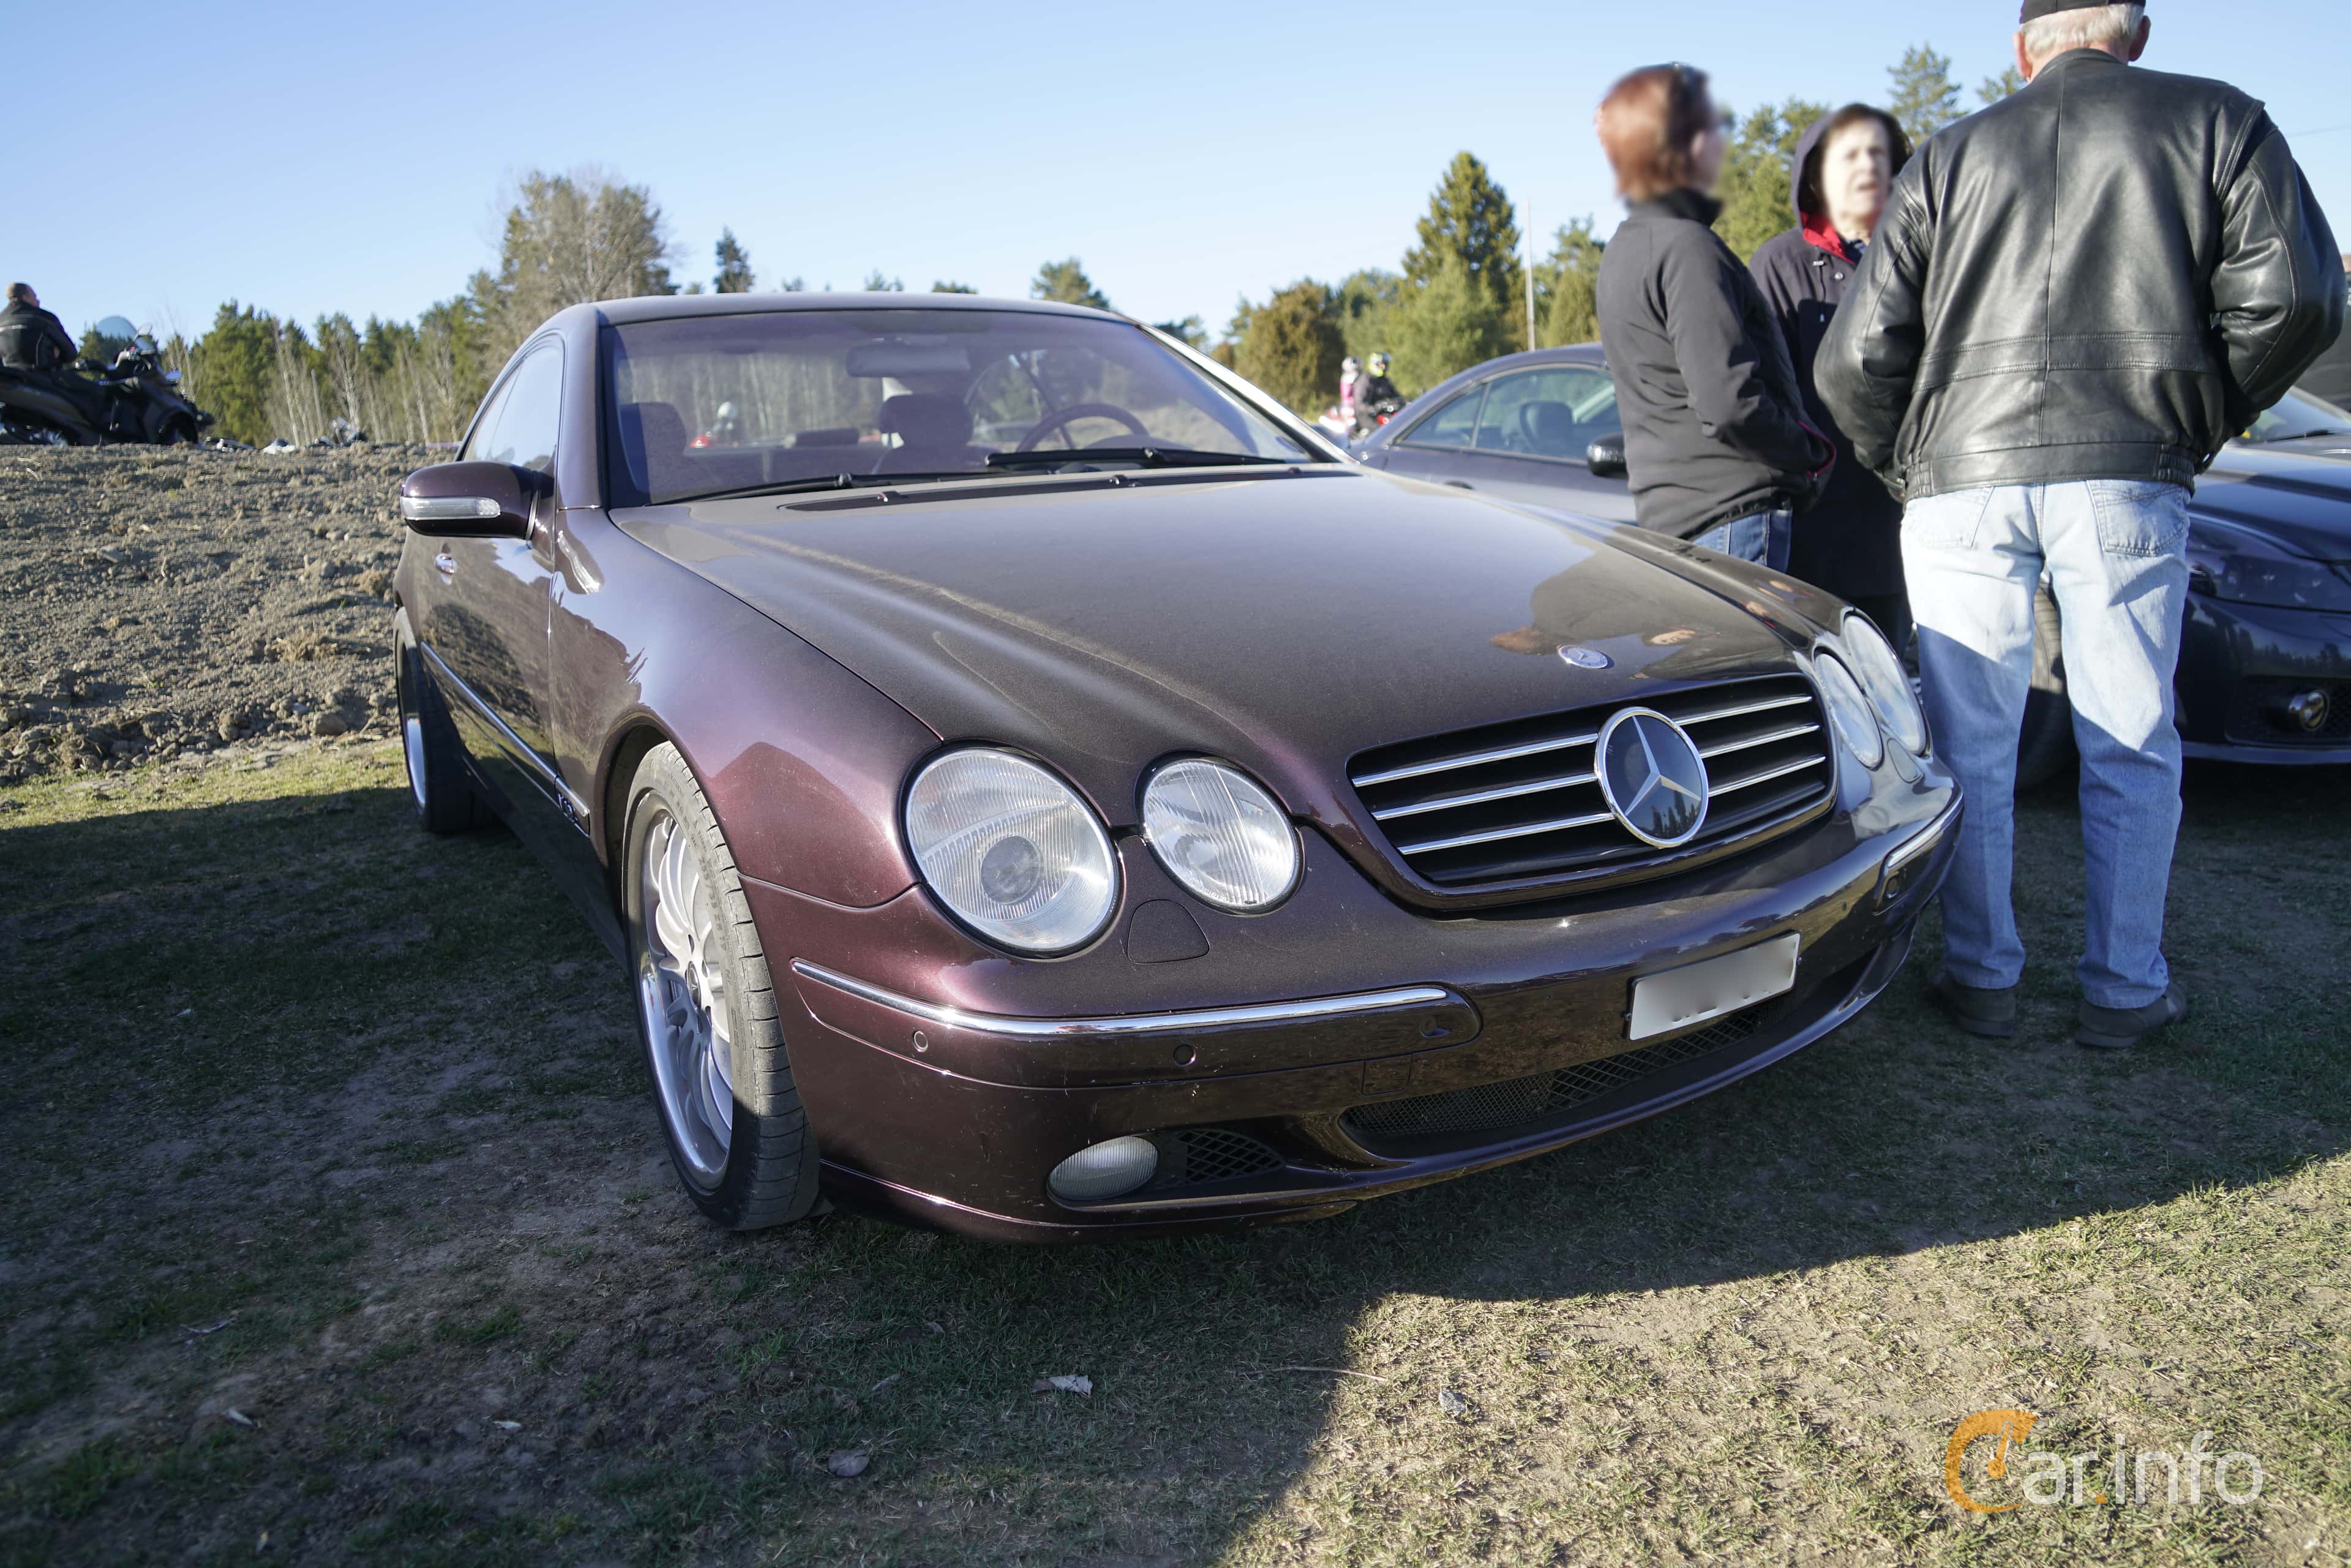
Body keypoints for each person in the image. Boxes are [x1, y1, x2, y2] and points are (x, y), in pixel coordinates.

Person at [1817, 0, 2343, 1050]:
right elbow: (2303, 298)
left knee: (1971, 745)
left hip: (1961, 480)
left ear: (2024, 47)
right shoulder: (2219, 121)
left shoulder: (1947, 159)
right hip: (2123, 469)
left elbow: (1851, 361)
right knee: (2131, 736)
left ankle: (1981, 979)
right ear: (2135, 34)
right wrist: (2196, 420)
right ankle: (2123, 989)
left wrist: (1912, 468)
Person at [1592, 62, 1831, 568]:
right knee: (1755, 650)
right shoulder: (1686, 248)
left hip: (1682, 521)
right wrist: (1811, 452)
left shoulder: (1627, 249)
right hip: (1732, 520)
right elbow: (1729, 403)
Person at [1749, 105, 1914, 649]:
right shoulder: (1779, 266)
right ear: (1815, 175)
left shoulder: (1921, 258)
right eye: (1849, 155)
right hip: (1815, 537)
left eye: (1878, 153)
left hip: (1902, 528)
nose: (1867, 166)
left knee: (1897, 693)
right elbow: (1767, 396)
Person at [0, 283, 80, 375]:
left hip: (8, 380)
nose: (38, 301)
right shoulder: (44, 318)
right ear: (25, 298)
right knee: (93, 388)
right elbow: (70, 354)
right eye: (35, 297)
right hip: (42, 379)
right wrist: (55, 357)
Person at [1355, 352, 1402, 435]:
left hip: (1382, 415)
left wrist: (1402, 402)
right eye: (1381, 365)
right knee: (1385, 434)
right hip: (1366, 418)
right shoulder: (1365, 380)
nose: (1384, 367)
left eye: (1385, 365)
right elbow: (1360, 405)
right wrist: (1376, 408)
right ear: (1375, 365)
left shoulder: (1384, 380)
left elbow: (1396, 396)